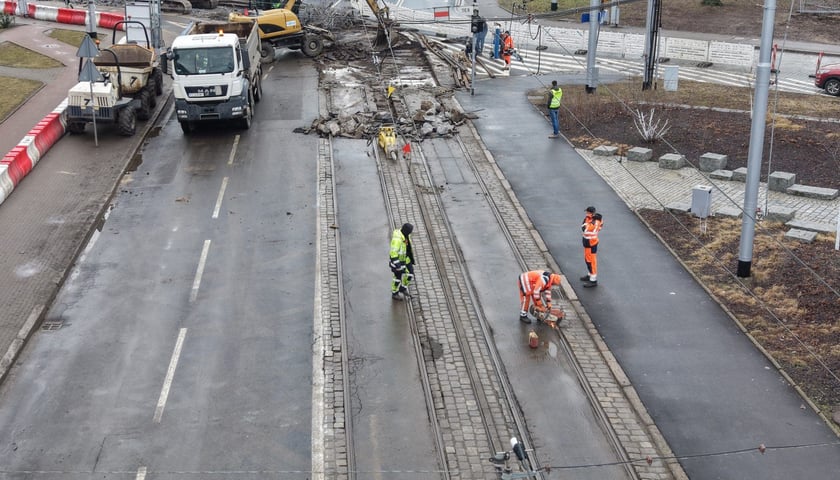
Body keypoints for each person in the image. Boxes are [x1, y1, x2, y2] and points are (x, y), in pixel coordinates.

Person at [389, 223, 415, 300]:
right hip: (398, 262)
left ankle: (403, 288)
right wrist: (397, 265)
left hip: (405, 259)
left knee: (410, 274)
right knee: (397, 278)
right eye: (410, 231)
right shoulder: (397, 239)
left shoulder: (406, 235)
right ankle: (394, 293)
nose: (410, 233)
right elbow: (393, 253)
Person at [581, 206, 604, 288]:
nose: (586, 214)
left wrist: (585, 224)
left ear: (592, 213)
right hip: (588, 242)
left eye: (587, 212)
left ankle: (593, 280)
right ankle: (590, 274)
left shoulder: (595, 221)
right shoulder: (591, 219)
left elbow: (584, 228)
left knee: (591, 261)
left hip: (591, 243)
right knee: (588, 260)